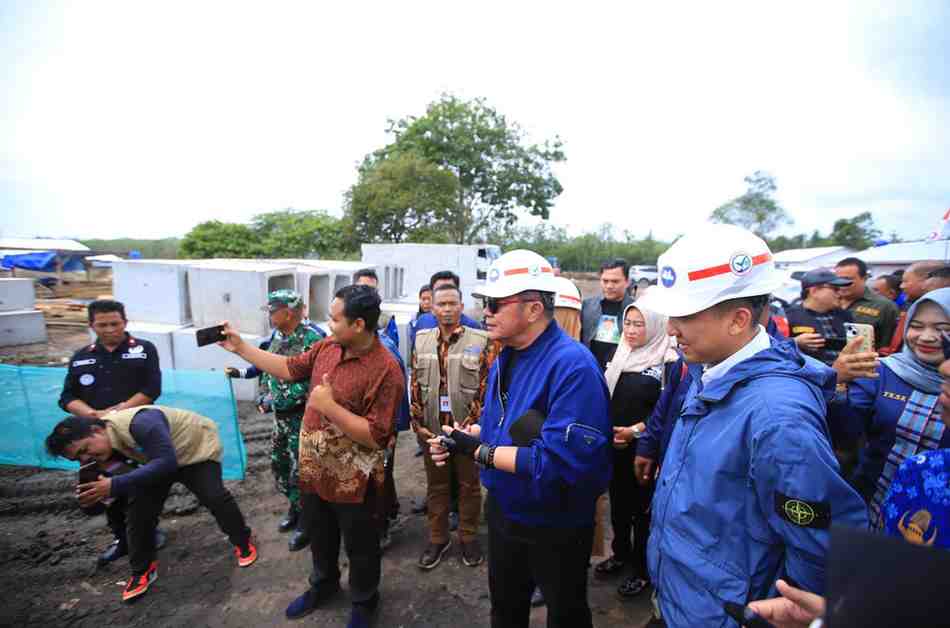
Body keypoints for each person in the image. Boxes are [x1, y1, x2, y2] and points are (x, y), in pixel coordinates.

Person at [634, 223, 868, 627]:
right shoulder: (711, 370)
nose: (671, 329)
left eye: (684, 316)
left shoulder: (777, 417)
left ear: (739, 319)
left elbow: (817, 547)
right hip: (685, 601)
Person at [428, 249, 612, 628]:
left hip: (556, 521)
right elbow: (503, 428)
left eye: (495, 304)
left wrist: (478, 452)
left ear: (533, 309)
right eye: (484, 303)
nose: (486, 313)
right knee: (506, 608)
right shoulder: (506, 356)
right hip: (506, 510)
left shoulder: (572, 366)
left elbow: (557, 463)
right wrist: (465, 437)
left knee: (565, 613)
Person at [218, 285, 404, 627]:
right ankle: (325, 585)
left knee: (361, 546)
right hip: (314, 468)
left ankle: (364, 600)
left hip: (354, 478)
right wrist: (240, 347)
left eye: (335, 318)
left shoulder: (386, 369)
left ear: (359, 324)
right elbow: (289, 368)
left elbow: (377, 437)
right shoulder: (327, 347)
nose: (328, 324)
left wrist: (328, 407)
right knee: (320, 535)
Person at [45, 406, 257, 602]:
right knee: (138, 512)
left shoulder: (141, 423)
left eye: (84, 450)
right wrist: (93, 499)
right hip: (154, 462)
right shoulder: (99, 454)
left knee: (215, 496)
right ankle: (142, 570)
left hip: (193, 450)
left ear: (96, 430)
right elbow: (98, 504)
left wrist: (115, 483)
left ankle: (243, 541)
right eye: (77, 458)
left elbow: (166, 463)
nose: (85, 458)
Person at [829, 287, 950, 528]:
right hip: (872, 503)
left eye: (943, 330)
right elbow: (846, 435)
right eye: (916, 326)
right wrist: (837, 382)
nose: (926, 337)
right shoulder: (883, 371)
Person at [58, 299, 166, 565]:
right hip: (94, 439)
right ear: (91, 325)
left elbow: (151, 389)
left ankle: (148, 532)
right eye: (102, 324)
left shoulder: (143, 350)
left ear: (125, 322)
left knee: (139, 484)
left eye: (114, 324)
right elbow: (67, 397)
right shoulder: (81, 357)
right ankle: (121, 539)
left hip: (132, 432)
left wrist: (117, 412)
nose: (109, 329)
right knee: (105, 491)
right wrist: (91, 415)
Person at [227, 290, 322, 551]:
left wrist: (278, 400)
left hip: (304, 420)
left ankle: (308, 522)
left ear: (288, 312)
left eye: (272, 311)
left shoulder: (313, 340)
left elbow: (317, 383)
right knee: (280, 466)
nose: (269, 316)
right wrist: (263, 395)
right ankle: (295, 507)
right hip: (280, 421)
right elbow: (266, 370)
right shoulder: (275, 338)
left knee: (304, 472)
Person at [595, 303, 674, 600]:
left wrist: (635, 431)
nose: (630, 330)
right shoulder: (617, 355)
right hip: (614, 445)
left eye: (639, 324)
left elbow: (665, 412)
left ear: (653, 327)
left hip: (645, 449)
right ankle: (620, 554)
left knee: (643, 512)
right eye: (627, 323)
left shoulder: (667, 361)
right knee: (619, 505)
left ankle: (642, 570)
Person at [410, 283, 490, 570]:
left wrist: (468, 428)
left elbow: (485, 388)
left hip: (467, 432)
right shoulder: (421, 340)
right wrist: (420, 427)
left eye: (452, 303)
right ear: (431, 307)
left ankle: (468, 538)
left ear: (461, 305)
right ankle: (438, 538)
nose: (446, 309)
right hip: (433, 430)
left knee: (469, 485)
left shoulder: (481, 339)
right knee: (437, 486)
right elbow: (415, 386)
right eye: (441, 304)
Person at [353, 271, 411, 550]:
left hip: (378, 426)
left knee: (379, 474)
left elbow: (395, 388)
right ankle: (386, 511)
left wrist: (394, 429)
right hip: (356, 426)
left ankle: (382, 525)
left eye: (371, 290)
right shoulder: (344, 337)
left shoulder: (384, 342)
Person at [784, 268, 854, 365]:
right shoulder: (788, 317)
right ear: (814, 291)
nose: (840, 293)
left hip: (848, 376)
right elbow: (773, 347)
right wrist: (795, 342)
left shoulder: (845, 315)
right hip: (809, 376)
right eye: (835, 289)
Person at [581, 258, 634, 371]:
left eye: (615, 281)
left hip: (622, 373)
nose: (609, 286)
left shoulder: (636, 310)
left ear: (627, 281)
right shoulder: (587, 306)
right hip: (590, 370)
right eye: (605, 281)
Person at [835, 257, 899, 350]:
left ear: (864, 279)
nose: (842, 284)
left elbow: (888, 345)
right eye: (838, 279)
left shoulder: (885, 307)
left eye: (847, 279)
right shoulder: (828, 301)